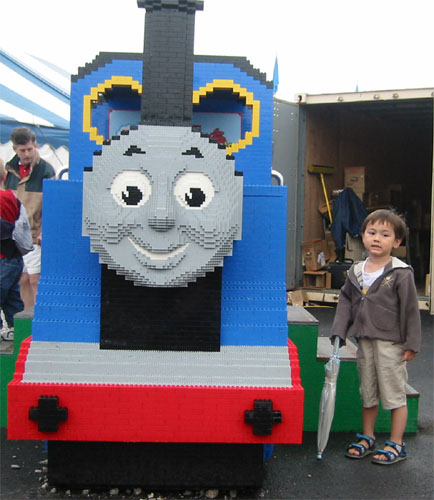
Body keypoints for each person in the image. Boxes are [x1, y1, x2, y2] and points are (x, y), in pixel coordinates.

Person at [330, 209, 421, 465]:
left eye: (385, 234)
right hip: (364, 342)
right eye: (372, 233)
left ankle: (396, 443)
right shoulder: (356, 271)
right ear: (363, 236)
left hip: (391, 344)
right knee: (368, 393)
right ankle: (367, 437)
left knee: (394, 394)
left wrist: (412, 344)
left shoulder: (400, 272)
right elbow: (345, 303)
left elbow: (411, 310)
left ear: (397, 241)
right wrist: (339, 332)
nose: (377, 238)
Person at [4, 127, 55, 309]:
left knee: (35, 278)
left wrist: (45, 231)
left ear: (36, 145)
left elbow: (53, 204)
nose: (27, 154)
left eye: (30, 149)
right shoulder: (9, 170)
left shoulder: (45, 170)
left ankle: (39, 315)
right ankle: (25, 316)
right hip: (14, 234)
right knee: (21, 278)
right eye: (23, 150)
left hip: (35, 232)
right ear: (15, 149)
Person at [0, 159, 32, 340]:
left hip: (2, 256)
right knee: (12, 298)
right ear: (5, 176)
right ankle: (19, 333)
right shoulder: (12, 197)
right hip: (14, 257)